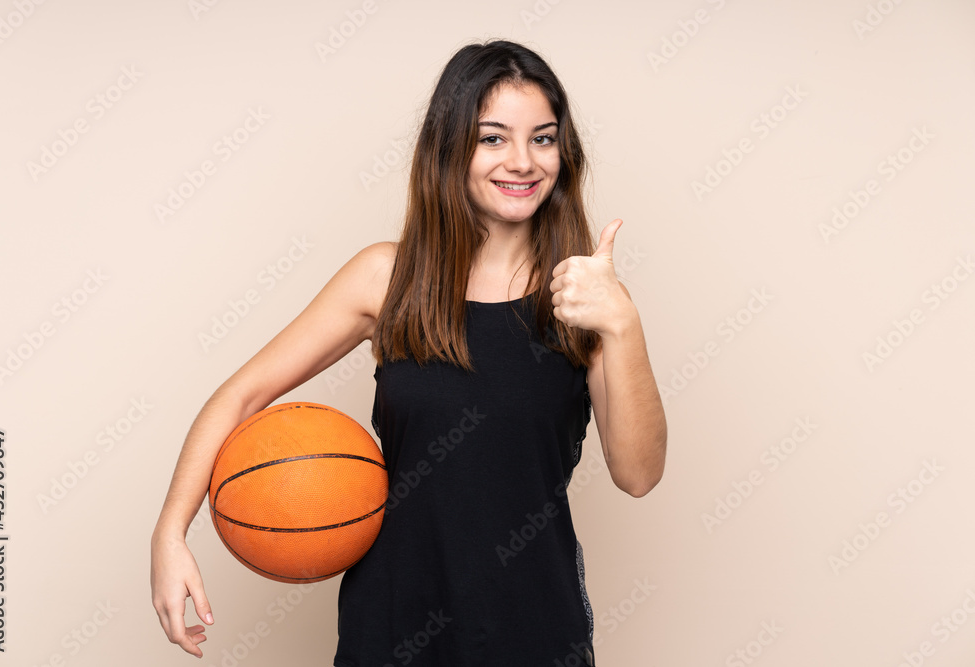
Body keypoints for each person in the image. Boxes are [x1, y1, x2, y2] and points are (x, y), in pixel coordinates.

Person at [151, 38, 667, 666]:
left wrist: (624, 324)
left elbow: (638, 475)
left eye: (543, 137)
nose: (523, 160)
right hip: (392, 627)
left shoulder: (584, 295)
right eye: (493, 138)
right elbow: (241, 395)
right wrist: (170, 533)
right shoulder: (387, 278)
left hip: (534, 630)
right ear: (451, 147)